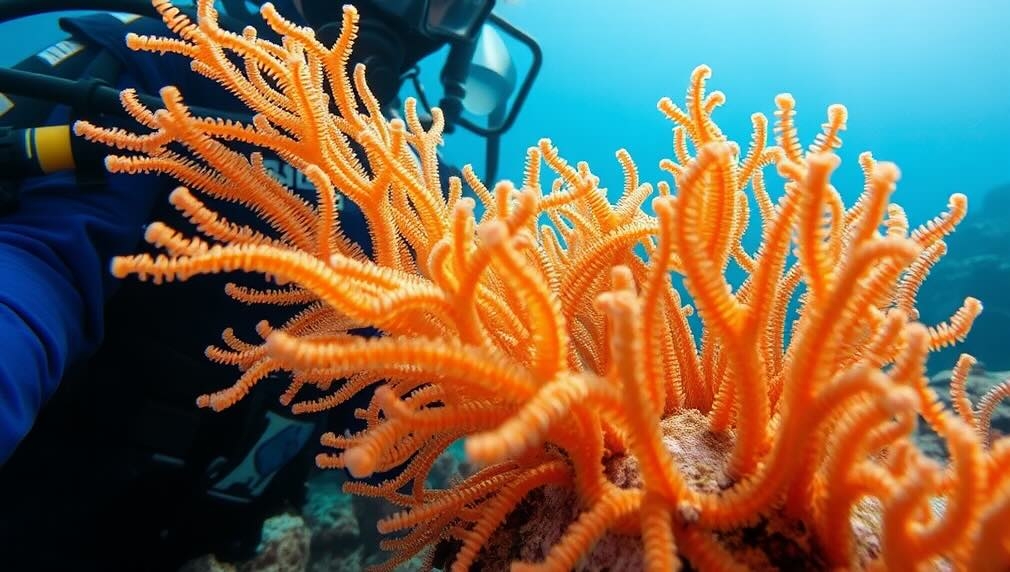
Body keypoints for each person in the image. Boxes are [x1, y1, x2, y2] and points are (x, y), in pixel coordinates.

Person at [0, 1, 523, 569]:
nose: (395, 13)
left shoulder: (418, 190)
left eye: (445, 3)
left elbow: (382, 430)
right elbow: (39, 263)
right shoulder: (172, 63)